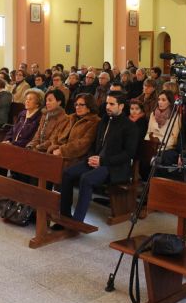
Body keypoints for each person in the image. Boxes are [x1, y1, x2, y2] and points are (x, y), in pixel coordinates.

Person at [58, 91, 138, 223]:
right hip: (98, 160)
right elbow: (96, 145)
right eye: (107, 103)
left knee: (86, 178)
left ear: (122, 106)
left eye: (112, 104)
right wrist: (92, 158)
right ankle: (65, 216)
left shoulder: (130, 127)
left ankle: (77, 221)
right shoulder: (104, 120)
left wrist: (102, 161)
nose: (108, 107)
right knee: (67, 173)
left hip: (114, 167)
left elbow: (128, 154)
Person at [0, 88, 44, 182]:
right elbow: (13, 129)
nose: (27, 101)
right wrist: (6, 140)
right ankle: (1, 184)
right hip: (13, 146)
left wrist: (14, 144)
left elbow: (33, 138)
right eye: (26, 98)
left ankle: (13, 183)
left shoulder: (40, 117)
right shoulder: (23, 113)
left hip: (25, 150)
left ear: (38, 103)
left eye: (31, 99)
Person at [47, 93, 100, 167]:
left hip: (76, 157)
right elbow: (56, 134)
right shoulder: (70, 118)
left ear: (89, 107)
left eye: (81, 105)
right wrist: (54, 147)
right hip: (57, 152)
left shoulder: (94, 121)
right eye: (76, 104)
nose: (78, 107)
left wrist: (62, 151)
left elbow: (83, 143)